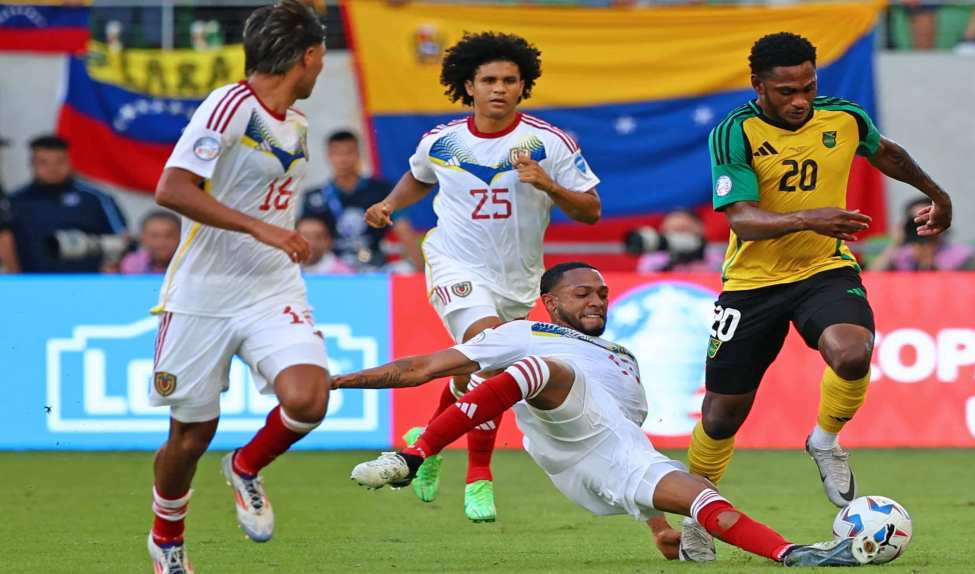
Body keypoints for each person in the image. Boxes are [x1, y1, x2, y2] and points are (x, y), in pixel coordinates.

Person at [334, 262, 878, 567]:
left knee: (704, 501)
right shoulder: (521, 334)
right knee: (543, 370)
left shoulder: (624, 358)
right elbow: (421, 367)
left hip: (604, 465)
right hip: (559, 434)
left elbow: (627, 438)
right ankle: (412, 456)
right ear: (551, 301)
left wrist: (658, 525)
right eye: (581, 293)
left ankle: (795, 555)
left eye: (602, 293)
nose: (596, 301)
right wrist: (337, 380)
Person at [685, 32, 952, 559]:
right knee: (721, 416)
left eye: (808, 86)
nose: (800, 100)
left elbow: (886, 152)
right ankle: (697, 517)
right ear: (757, 84)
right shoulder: (734, 133)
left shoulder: (844, 117)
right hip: (751, 285)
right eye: (786, 91)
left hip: (823, 269)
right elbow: (742, 219)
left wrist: (936, 194)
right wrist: (810, 216)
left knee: (853, 351)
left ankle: (825, 439)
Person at [363, 31, 602, 523]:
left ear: (523, 86)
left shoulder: (549, 143)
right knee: (489, 358)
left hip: (517, 278)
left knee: (471, 365)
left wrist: (547, 183)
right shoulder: (441, 140)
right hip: (454, 262)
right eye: (489, 80)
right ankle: (478, 477)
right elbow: (419, 176)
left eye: (510, 80)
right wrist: (389, 203)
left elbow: (591, 211)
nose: (499, 88)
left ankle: (423, 446)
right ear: (467, 85)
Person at [145, 3, 328, 572]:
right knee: (190, 435)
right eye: (320, 55)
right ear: (308, 56)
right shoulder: (229, 106)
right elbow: (171, 188)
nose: (321, 66)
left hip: (272, 287)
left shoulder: (294, 122)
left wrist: (277, 237)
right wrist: (261, 228)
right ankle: (167, 540)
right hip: (203, 296)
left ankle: (245, 466)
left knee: (308, 399)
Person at [300, 130, 422, 271]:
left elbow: (403, 229)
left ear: (359, 154)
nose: (343, 159)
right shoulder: (314, 197)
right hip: (331, 270)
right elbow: (307, 240)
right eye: (337, 153)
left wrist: (421, 273)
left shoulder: (382, 190)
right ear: (328, 157)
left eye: (348, 152)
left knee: (404, 271)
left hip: (375, 266)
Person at [7, 135, 128, 273]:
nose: (52, 168)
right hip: (31, 284)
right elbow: (6, 242)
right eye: (44, 162)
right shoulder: (14, 201)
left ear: (70, 162)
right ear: (32, 164)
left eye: (60, 161)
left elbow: (122, 238)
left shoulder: (96, 198)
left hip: (88, 283)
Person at [869, 197, 975, 272]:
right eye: (915, 221)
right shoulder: (901, 256)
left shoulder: (962, 255)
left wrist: (931, 265)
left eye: (926, 219)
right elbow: (874, 280)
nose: (922, 225)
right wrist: (895, 242)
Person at [631, 209, 723, 273]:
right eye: (673, 230)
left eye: (684, 229)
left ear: (701, 229)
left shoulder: (716, 257)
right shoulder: (652, 259)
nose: (679, 236)